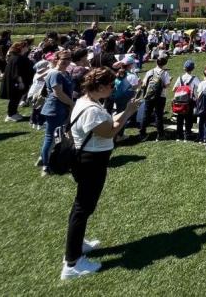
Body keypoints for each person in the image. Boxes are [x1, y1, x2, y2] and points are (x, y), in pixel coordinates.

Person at [60, 67, 141, 280]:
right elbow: (111, 131)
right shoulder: (92, 109)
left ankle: (77, 245)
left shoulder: (88, 101)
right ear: (101, 86)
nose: (113, 89)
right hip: (91, 162)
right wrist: (129, 113)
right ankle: (72, 263)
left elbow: (107, 123)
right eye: (110, 85)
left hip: (90, 159)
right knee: (82, 207)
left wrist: (126, 111)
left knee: (83, 206)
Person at [40, 51, 75, 175]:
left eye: (69, 58)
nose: (67, 61)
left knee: (58, 136)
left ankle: (52, 158)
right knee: (50, 137)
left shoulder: (65, 72)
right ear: (56, 59)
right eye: (64, 59)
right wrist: (71, 104)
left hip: (63, 108)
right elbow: (58, 93)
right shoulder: (55, 74)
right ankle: (45, 165)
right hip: (54, 109)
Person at [0, 41, 35, 122]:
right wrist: (20, 82)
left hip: (17, 81)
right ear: (21, 48)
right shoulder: (17, 58)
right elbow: (16, 72)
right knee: (14, 98)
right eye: (25, 46)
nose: (27, 48)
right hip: (16, 82)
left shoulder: (17, 56)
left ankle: (14, 112)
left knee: (16, 98)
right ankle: (10, 115)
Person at [140, 55, 171, 141]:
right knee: (159, 115)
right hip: (160, 96)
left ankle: (142, 133)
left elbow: (144, 84)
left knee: (146, 114)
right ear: (165, 64)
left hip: (149, 96)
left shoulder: (150, 71)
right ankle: (160, 134)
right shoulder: (165, 73)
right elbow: (166, 85)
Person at [172, 60, 200, 142]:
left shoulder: (180, 78)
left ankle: (179, 135)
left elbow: (174, 89)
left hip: (179, 101)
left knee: (179, 118)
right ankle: (188, 134)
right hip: (189, 101)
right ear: (192, 69)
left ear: (184, 68)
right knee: (189, 118)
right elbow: (200, 87)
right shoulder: (194, 78)